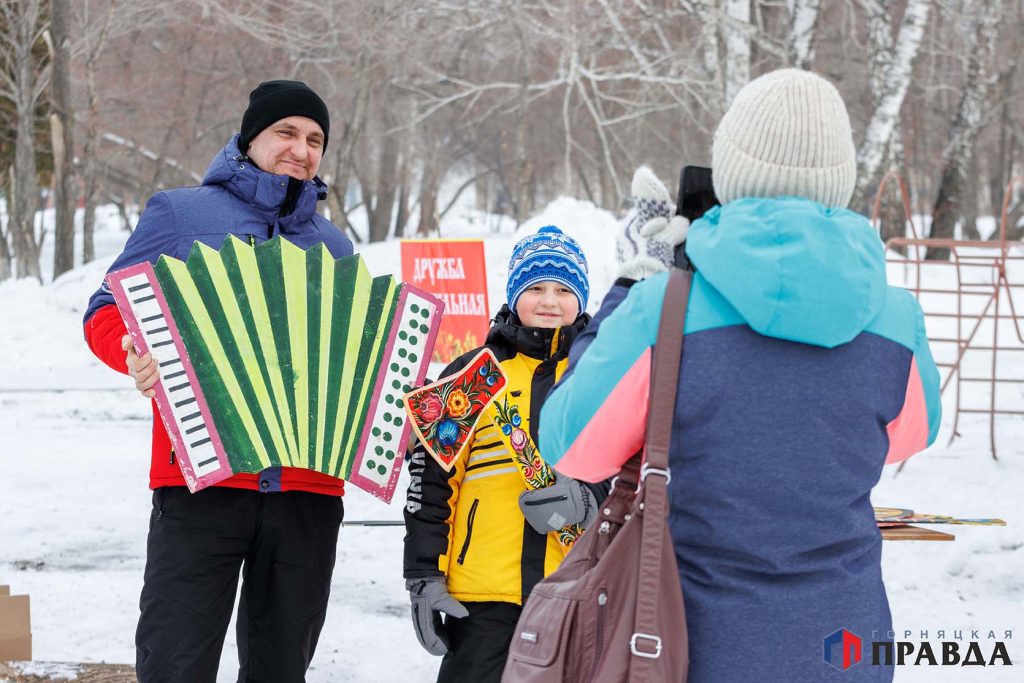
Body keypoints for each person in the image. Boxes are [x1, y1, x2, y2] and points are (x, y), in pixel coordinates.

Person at [539, 69, 942, 682]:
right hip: (848, 648)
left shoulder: (662, 310)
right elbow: (910, 436)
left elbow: (570, 445)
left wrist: (632, 283)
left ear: (729, 172)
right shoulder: (896, 317)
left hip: (693, 647)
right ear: (840, 179)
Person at [83, 80, 353, 682]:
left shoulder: (335, 246)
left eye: (314, 139)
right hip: (200, 478)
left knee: (282, 668)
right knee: (175, 660)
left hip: (308, 491)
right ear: (251, 137)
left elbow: (360, 357)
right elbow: (106, 307)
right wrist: (129, 348)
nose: (301, 150)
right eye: (286, 132)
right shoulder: (181, 214)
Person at [403, 226, 605, 683]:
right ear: (514, 294)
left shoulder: (596, 372)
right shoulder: (474, 372)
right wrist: (423, 573)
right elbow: (431, 480)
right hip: (481, 596)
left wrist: (591, 497)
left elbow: (629, 464)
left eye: (563, 289)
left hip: (573, 587)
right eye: (535, 287)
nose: (549, 301)